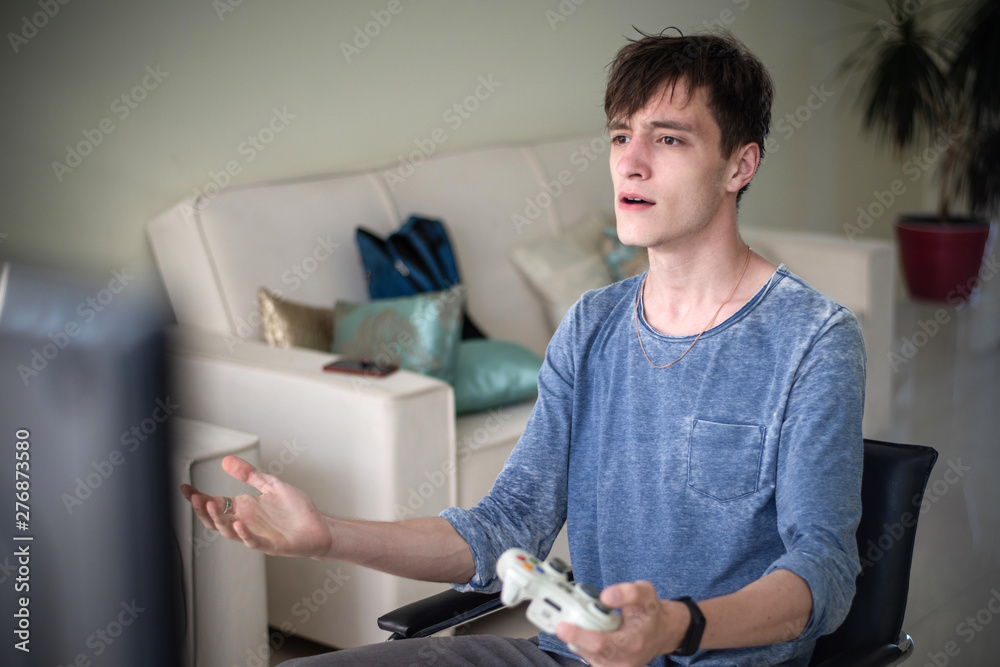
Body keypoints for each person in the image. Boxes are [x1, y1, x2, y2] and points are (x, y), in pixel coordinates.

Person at [182, 28, 865, 667]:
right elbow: (506, 524)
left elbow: (825, 572)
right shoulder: (591, 324)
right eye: (620, 135)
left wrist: (677, 625)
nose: (630, 162)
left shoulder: (813, 339)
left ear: (740, 165)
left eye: (668, 139)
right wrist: (327, 535)